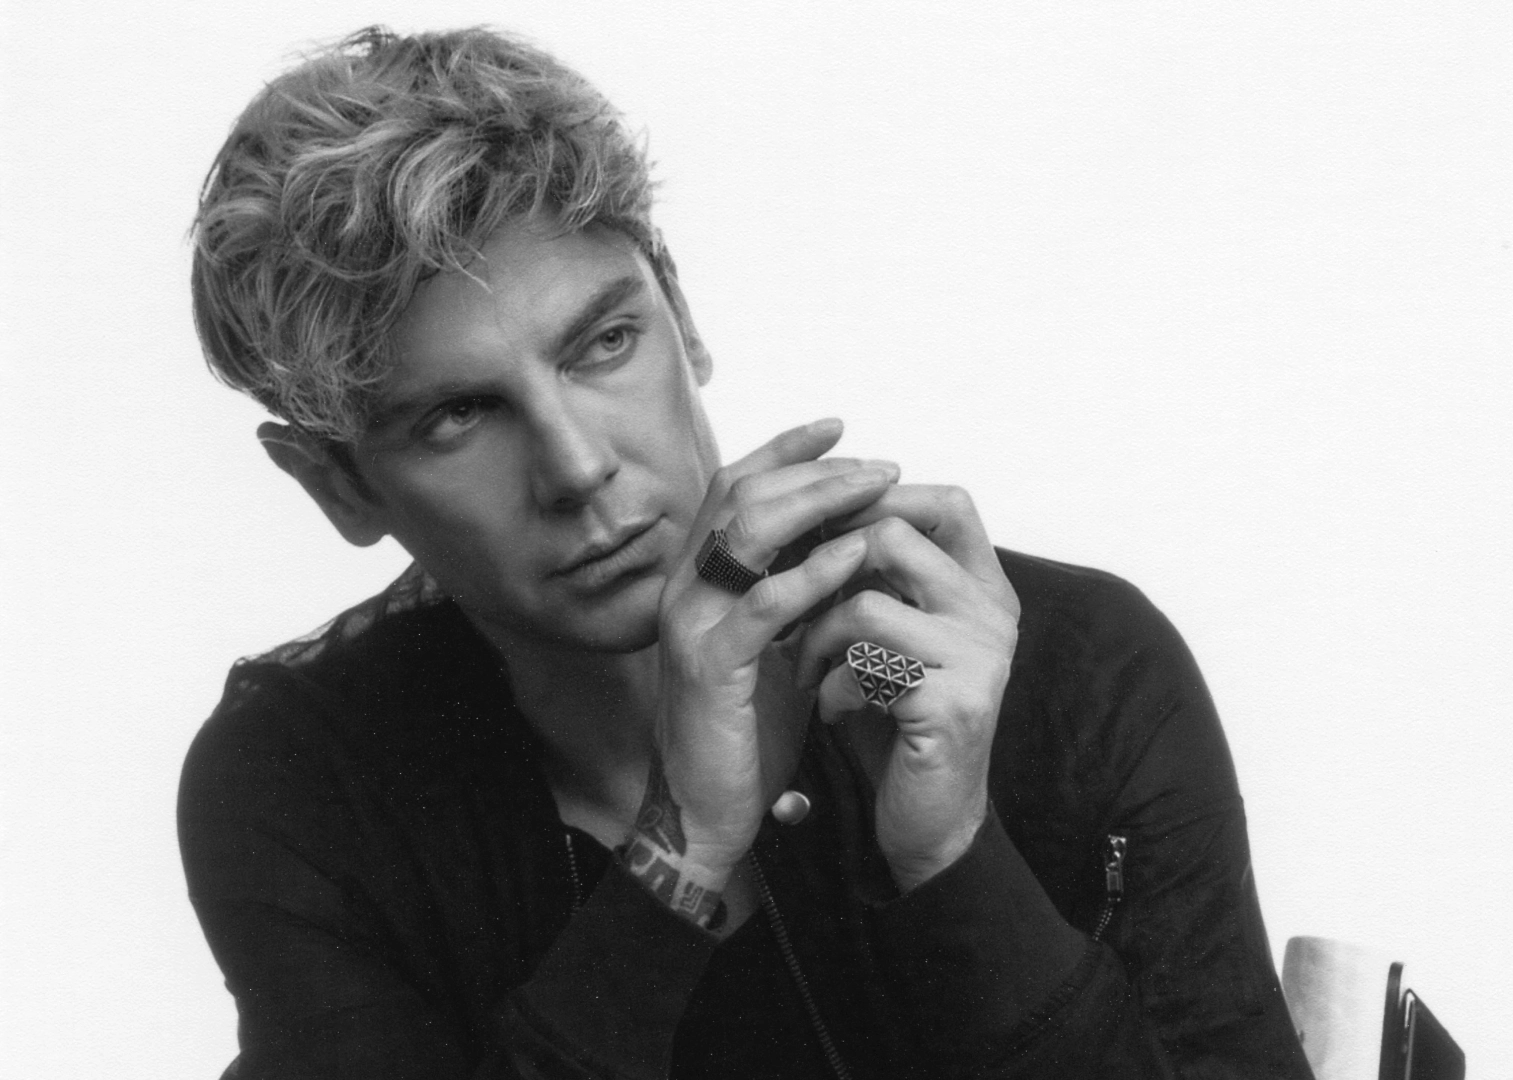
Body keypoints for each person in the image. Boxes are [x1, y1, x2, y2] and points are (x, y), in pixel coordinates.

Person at [179, 25, 1313, 1080]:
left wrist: (954, 860)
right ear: (337, 483)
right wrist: (681, 851)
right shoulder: (306, 786)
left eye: (604, 343)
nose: (577, 467)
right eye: (458, 416)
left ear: (683, 316)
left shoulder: (1061, 670)